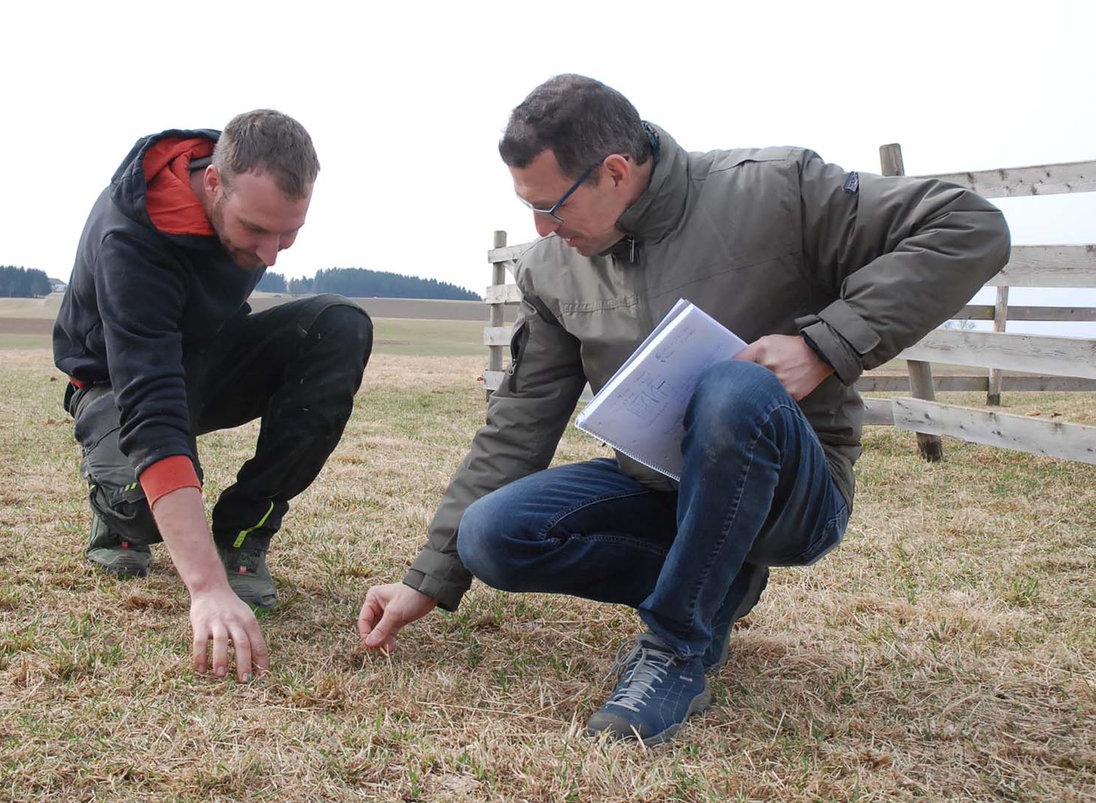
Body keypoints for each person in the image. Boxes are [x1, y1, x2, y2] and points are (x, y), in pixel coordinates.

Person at [357, 75, 1010, 744]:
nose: (542, 229)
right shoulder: (552, 269)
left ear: (615, 172)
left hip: (790, 496)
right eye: (528, 207)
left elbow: (967, 225)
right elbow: (519, 421)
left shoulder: (777, 190)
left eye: (552, 206)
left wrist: (823, 346)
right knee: (492, 534)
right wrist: (428, 577)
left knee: (734, 389)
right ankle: (720, 584)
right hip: (657, 489)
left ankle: (675, 648)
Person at [54, 110, 373, 683]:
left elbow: (255, 254)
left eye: (289, 233)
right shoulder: (130, 238)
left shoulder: (241, 179)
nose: (271, 254)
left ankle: (243, 532)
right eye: (256, 230)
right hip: (115, 379)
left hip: (206, 357)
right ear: (213, 183)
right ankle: (116, 513)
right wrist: (205, 587)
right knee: (146, 507)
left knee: (338, 325)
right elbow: (151, 403)